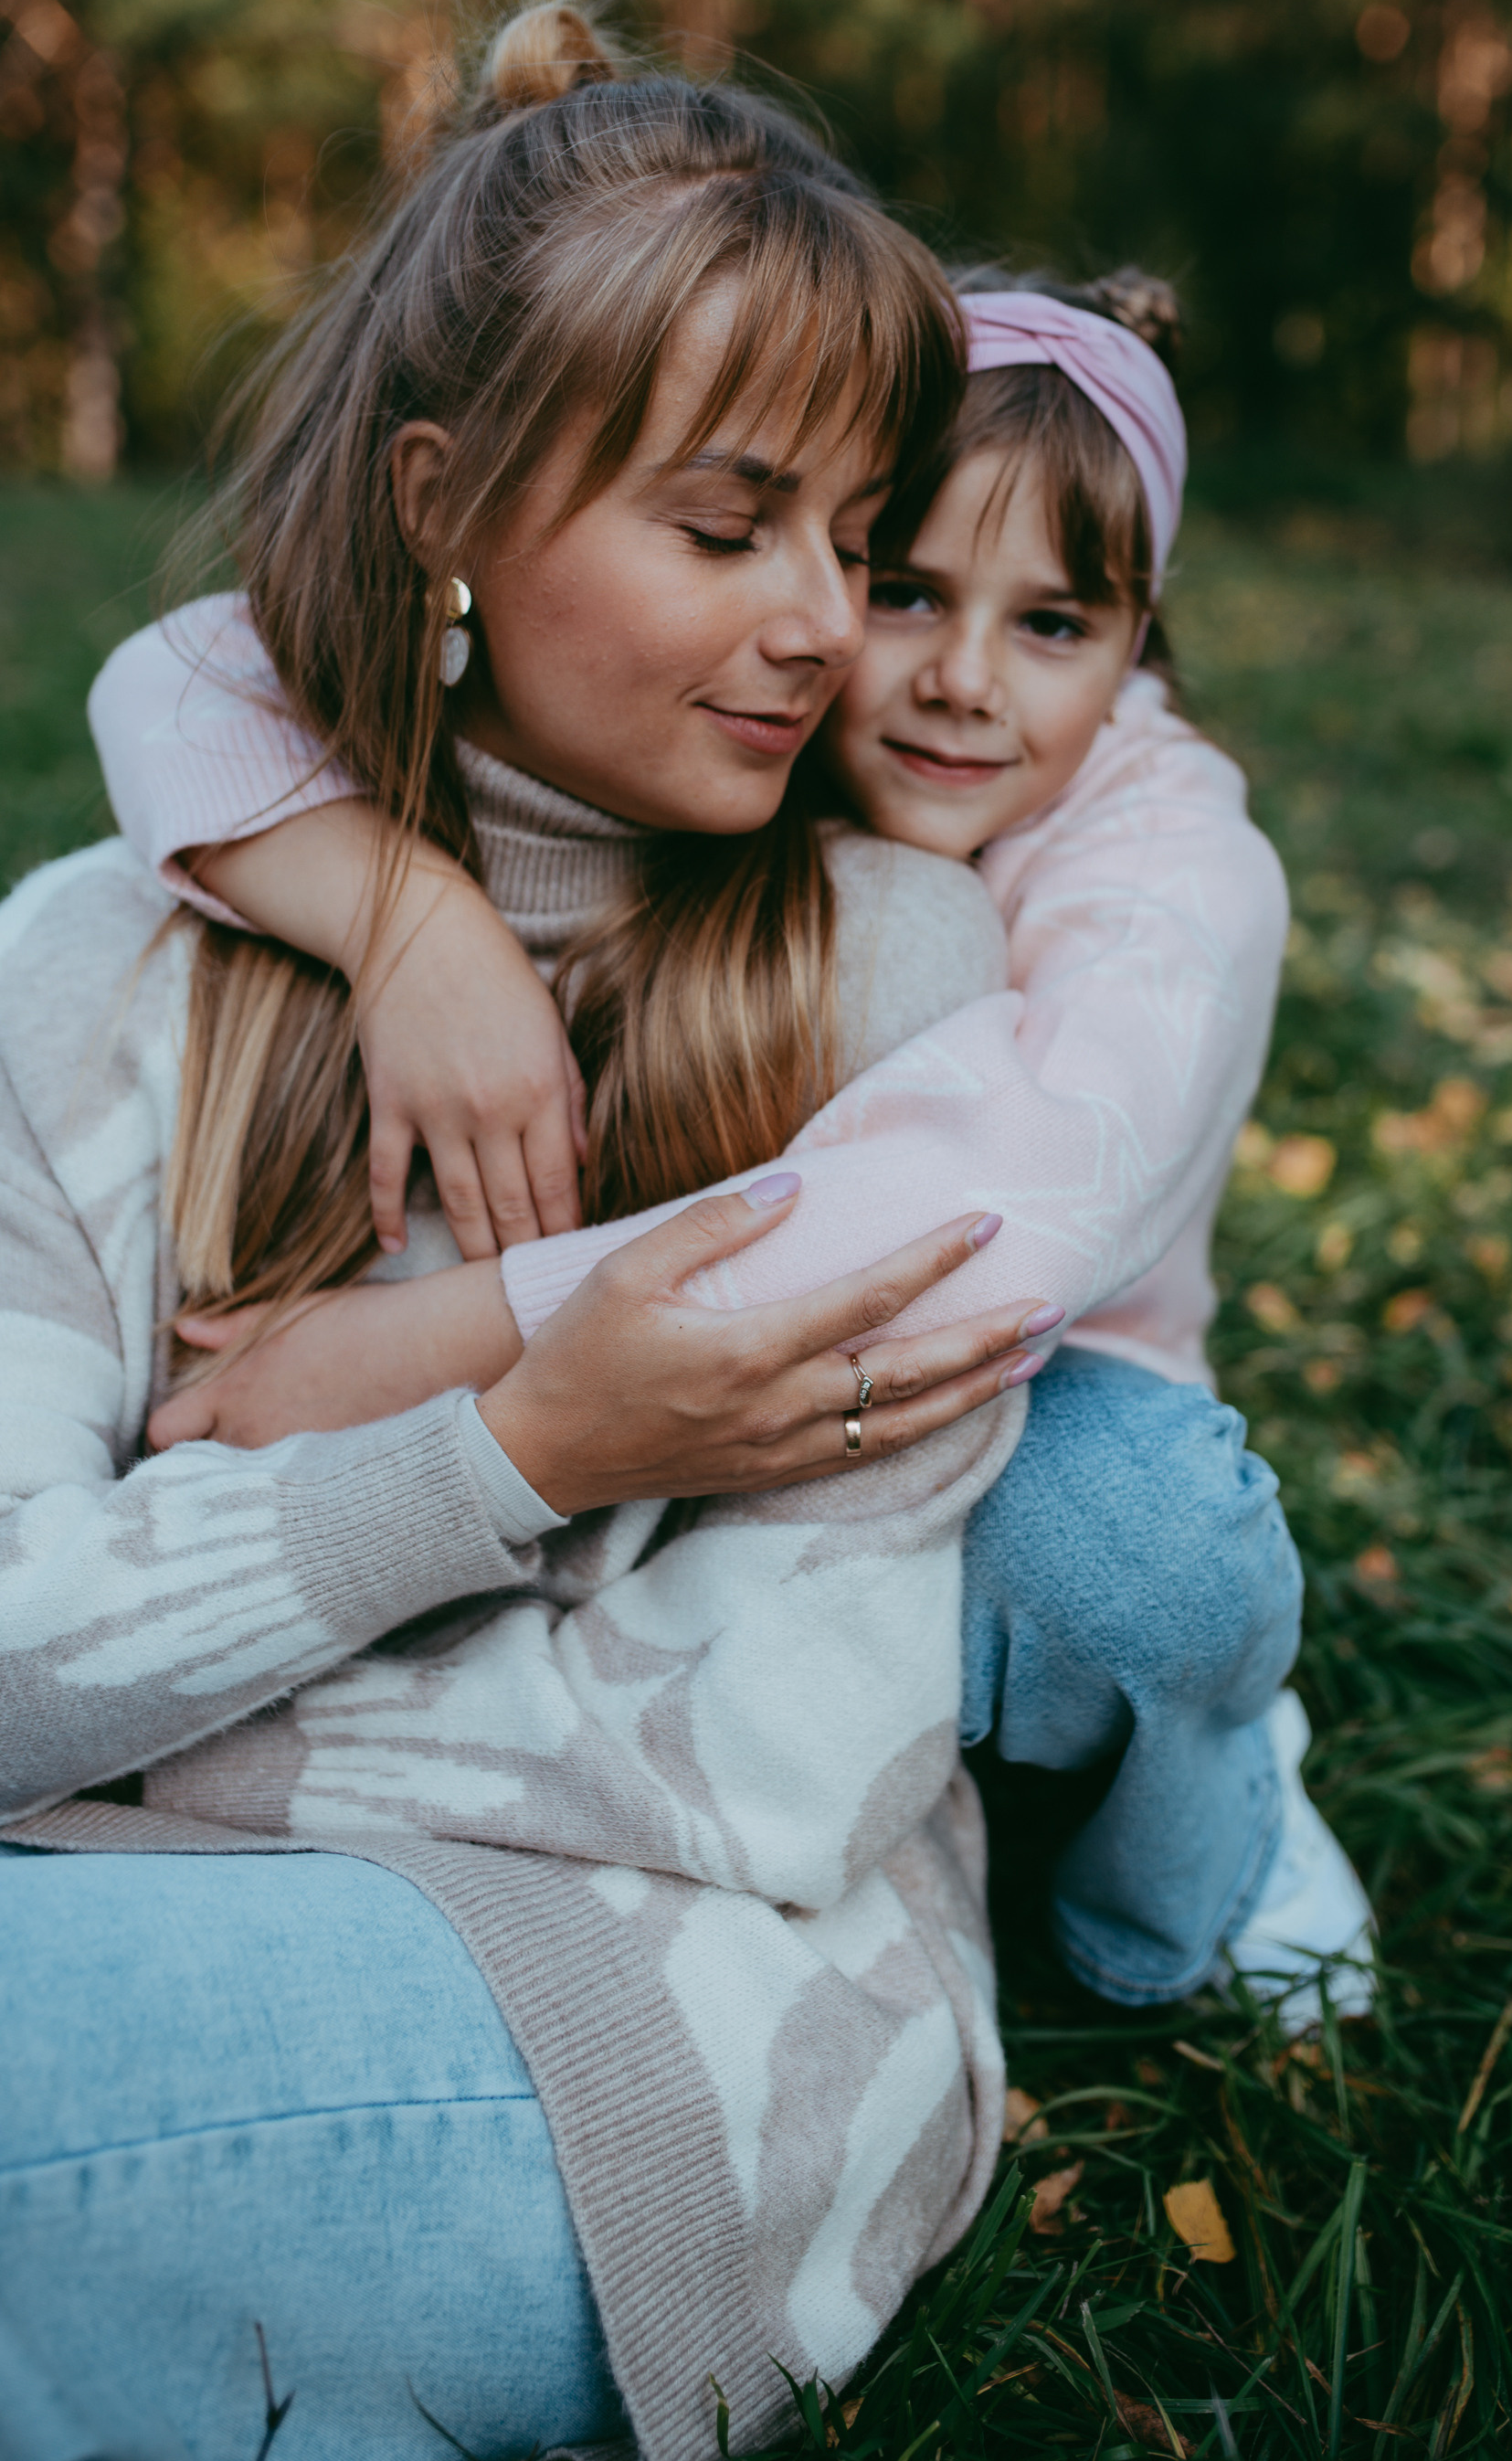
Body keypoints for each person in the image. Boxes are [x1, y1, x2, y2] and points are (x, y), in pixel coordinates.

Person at [0, 5, 1076, 2461]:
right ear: (437, 505)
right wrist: (520, 1476)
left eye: (856, 533)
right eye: (726, 530)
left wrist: (445, 1473)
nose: (822, 624)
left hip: (664, 2037)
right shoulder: (86, 966)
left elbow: (768, 1773)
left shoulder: (904, 983)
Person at [92, 234, 1376, 2024]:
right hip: (743, 1459)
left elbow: (977, 1222)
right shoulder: (757, 723)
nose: (955, 681)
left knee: (1136, 1549)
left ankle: (1182, 1888)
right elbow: (179, 676)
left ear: (1138, 644)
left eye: (1056, 624)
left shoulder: (1177, 876)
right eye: (901, 584)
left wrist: (438, 1340)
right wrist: (408, 917)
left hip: (1018, 1400)